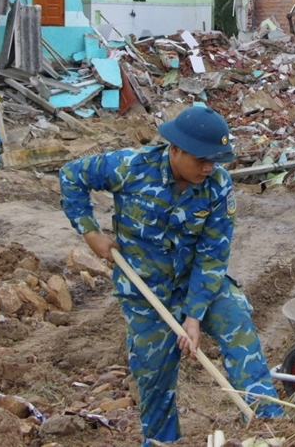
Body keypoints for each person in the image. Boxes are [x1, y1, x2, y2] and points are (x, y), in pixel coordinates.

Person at [58, 107, 283, 446]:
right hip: (145, 291)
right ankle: (163, 442)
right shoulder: (129, 167)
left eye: (215, 160)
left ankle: (267, 423)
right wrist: (90, 233)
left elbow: (213, 255)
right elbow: (71, 175)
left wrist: (194, 315)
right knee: (155, 377)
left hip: (198, 282)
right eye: (202, 159)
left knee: (237, 319)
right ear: (175, 148)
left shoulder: (217, 186)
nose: (208, 167)